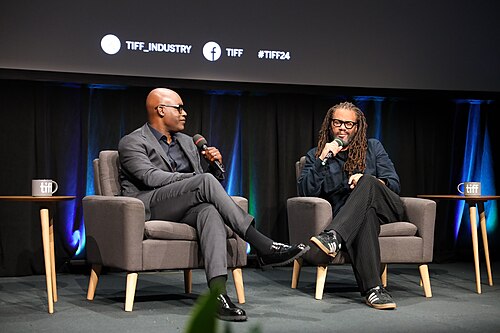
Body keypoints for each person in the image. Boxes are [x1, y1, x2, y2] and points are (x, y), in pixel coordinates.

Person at [118, 88, 309, 322]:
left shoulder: (187, 142)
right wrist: (198, 180)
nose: (184, 113)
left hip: (184, 205)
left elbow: (204, 188)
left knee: (210, 212)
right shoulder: (132, 141)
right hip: (149, 206)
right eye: (178, 108)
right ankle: (263, 245)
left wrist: (212, 167)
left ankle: (219, 296)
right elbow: (151, 178)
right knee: (204, 183)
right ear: (160, 110)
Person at [298, 102, 407, 310]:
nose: (343, 128)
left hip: (386, 206)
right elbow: (305, 192)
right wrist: (322, 158)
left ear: (357, 127)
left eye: (349, 124)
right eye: (338, 122)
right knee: (365, 217)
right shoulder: (317, 154)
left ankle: (334, 237)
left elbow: (394, 183)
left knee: (366, 181)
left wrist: (368, 182)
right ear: (330, 125)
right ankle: (374, 290)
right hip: (355, 216)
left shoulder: (373, 147)